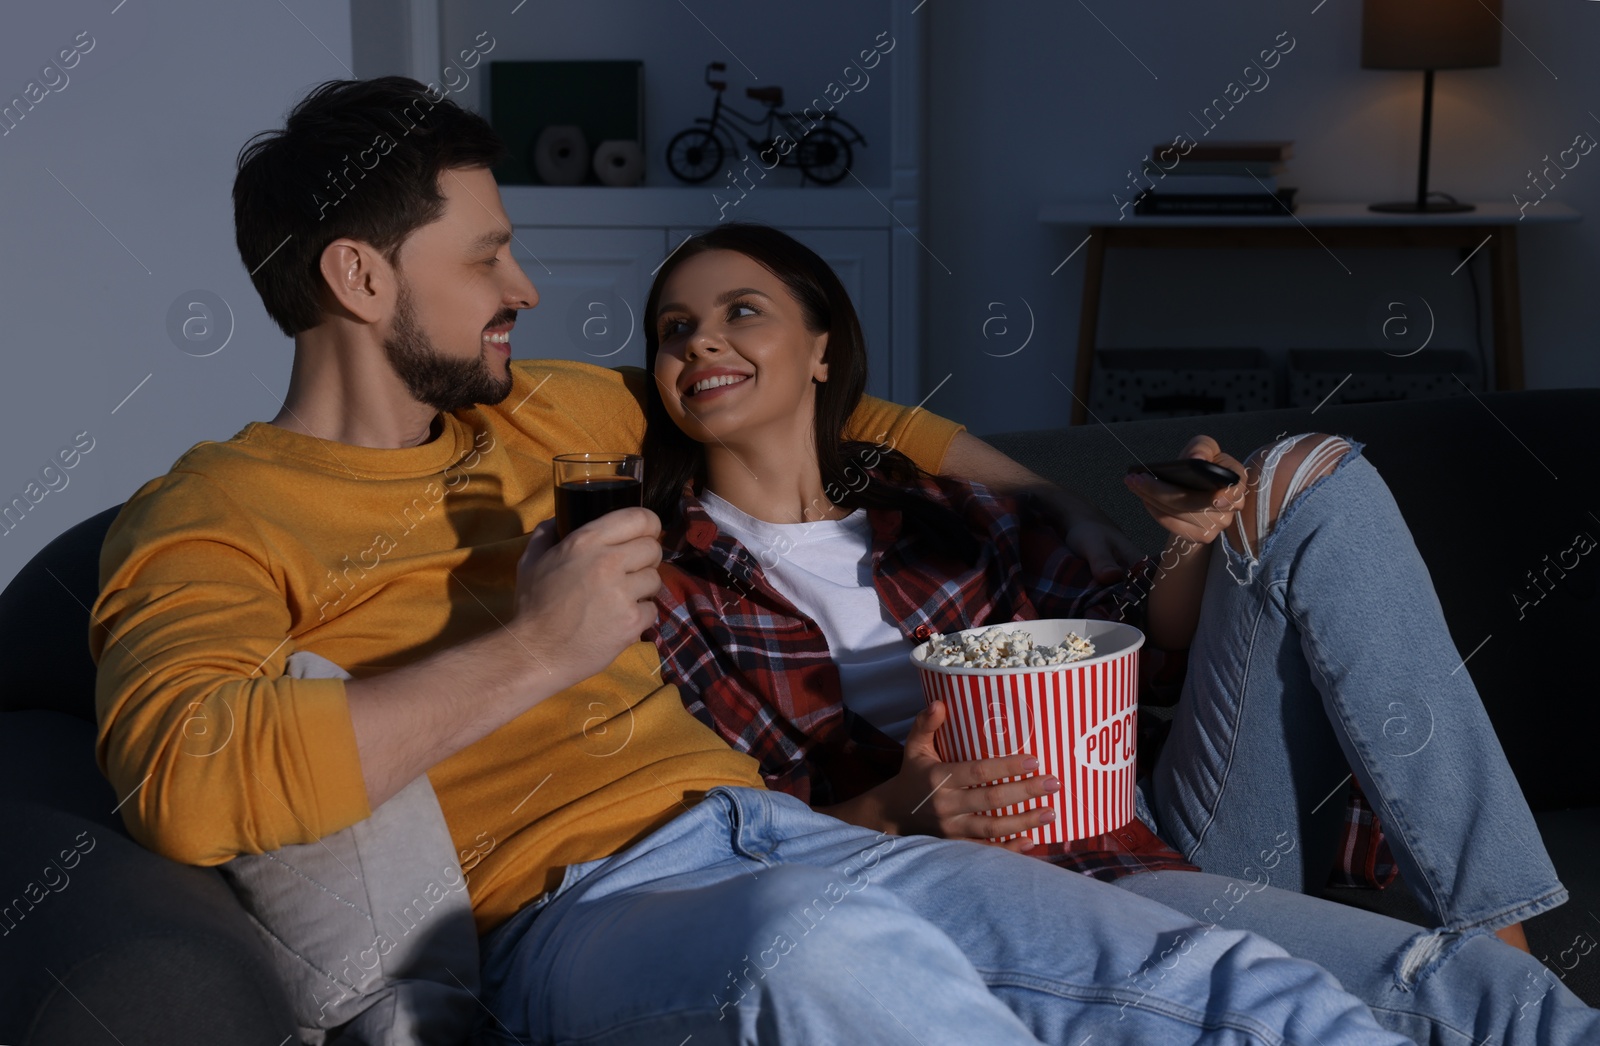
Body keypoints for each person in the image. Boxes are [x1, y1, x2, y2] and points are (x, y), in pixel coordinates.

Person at [86, 76, 1431, 1045]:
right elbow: (186, 776)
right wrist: (535, 648)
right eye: (488, 252)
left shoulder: (548, 409)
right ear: (362, 281)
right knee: (836, 962)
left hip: (789, 837)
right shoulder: (208, 514)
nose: (524, 288)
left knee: (1226, 980)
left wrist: (1070, 500)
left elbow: (808, 406)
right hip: (580, 909)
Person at [642, 223, 1599, 1043]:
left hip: (1147, 828)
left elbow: (1141, 637)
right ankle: (1495, 982)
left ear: (821, 348)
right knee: (1455, 995)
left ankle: (1490, 919)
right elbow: (720, 832)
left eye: (740, 311)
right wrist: (898, 807)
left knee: (1315, 471)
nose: (701, 343)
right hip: (986, 890)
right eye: (673, 330)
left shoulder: (949, 509)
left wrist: (1190, 541)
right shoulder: (669, 579)